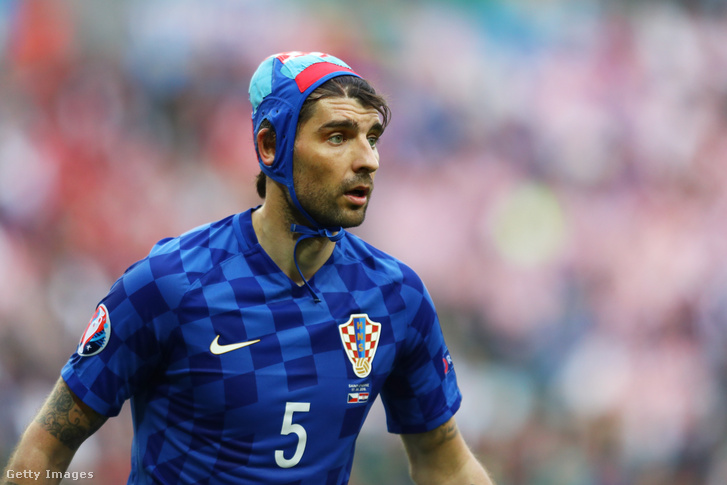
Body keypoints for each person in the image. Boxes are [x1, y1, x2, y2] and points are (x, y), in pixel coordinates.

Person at [2, 51, 494, 485]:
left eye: (373, 137)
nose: (368, 160)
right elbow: (46, 447)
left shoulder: (396, 298)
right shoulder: (168, 285)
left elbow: (444, 462)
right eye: (338, 136)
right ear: (268, 146)